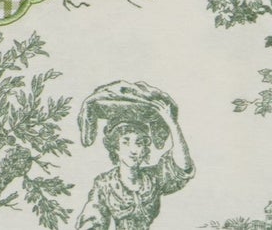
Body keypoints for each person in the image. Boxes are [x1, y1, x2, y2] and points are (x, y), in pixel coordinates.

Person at [73, 81, 193, 229]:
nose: (134, 150)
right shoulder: (104, 184)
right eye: (126, 142)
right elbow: (92, 220)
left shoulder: (153, 178)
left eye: (139, 142)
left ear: (145, 148)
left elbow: (182, 167)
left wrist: (172, 124)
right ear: (115, 147)